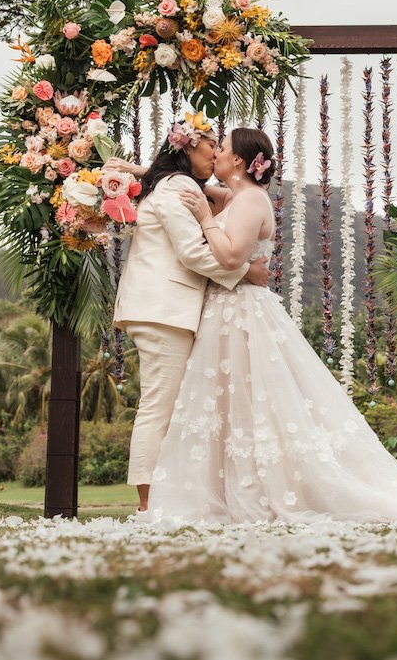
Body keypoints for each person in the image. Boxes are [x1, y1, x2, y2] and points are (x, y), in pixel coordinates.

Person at [140, 126, 397, 524]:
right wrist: (143, 173)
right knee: (230, 404)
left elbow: (231, 257)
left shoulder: (250, 200)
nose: (216, 153)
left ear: (238, 159)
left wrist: (206, 220)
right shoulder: (236, 197)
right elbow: (203, 192)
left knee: (255, 401)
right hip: (223, 312)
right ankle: (232, 489)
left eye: (221, 147)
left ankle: (270, 490)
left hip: (239, 312)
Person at [111, 112, 270, 513]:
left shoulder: (173, 184)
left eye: (220, 147)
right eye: (211, 145)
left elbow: (219, 200)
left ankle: (164, 496)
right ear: (188, 148)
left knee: (169, 405)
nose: (216, 153)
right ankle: (147, 504)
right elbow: (193, 252)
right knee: (160, 406)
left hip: (163, 308)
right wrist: (247, 271)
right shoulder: (177, 186)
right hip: (163, 310)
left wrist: (138, 169)